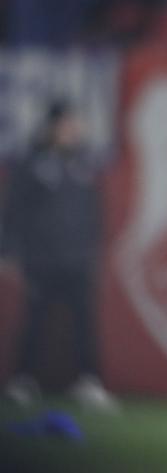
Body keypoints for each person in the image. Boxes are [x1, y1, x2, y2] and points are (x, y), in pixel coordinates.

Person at [0, 99, 117, 412]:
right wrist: (8, 250)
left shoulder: (83, 166)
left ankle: (89, 381)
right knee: (35, 320)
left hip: (77, 258)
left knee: (84, 323)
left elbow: (93, 213)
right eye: (67, 124)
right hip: (42, 259)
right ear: (52, 127)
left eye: (75, 125)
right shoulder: (32, 164)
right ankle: (23, 380)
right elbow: (14, 210)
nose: (73, 131)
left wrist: (92, 248)